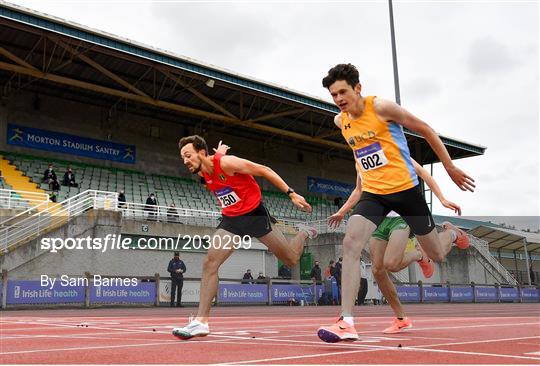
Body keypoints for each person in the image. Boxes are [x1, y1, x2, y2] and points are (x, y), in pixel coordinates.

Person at [317, 63, 475, 343]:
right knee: (351, 243)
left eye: (342, 92)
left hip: (406, 191)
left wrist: (449, 168)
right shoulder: (341, 122)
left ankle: (451, 233)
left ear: (358, 88)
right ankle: (348, 321)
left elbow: (425, 129)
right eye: (333, 95)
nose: (339, 99)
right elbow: (364, 157)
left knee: (437, 254)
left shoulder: (381, 108)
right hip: (375, 194)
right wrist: (346, 208)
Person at [172, 136, 317, 340]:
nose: (185, 161)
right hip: (231, 221)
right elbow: (217, 174)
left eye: (187, 155)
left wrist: (291, 193)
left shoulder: (227, 163)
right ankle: (201, 322)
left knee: (291, 259)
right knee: (210, 264)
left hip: (255, 216)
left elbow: (264, 170)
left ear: (202, 152)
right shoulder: (203, 174)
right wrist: (219, 153)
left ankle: (303, 232)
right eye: (182, 158)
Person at [328, 151, 463, 333]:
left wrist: (442, 198)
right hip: (379, 218)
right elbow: (359, 190)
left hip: (401, 215)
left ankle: (448, 236)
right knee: (377, 270)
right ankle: (401, 318)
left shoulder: (391, 146)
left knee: (392, 263)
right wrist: (342, 211)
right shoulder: (360, 158)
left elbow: (422, 172)